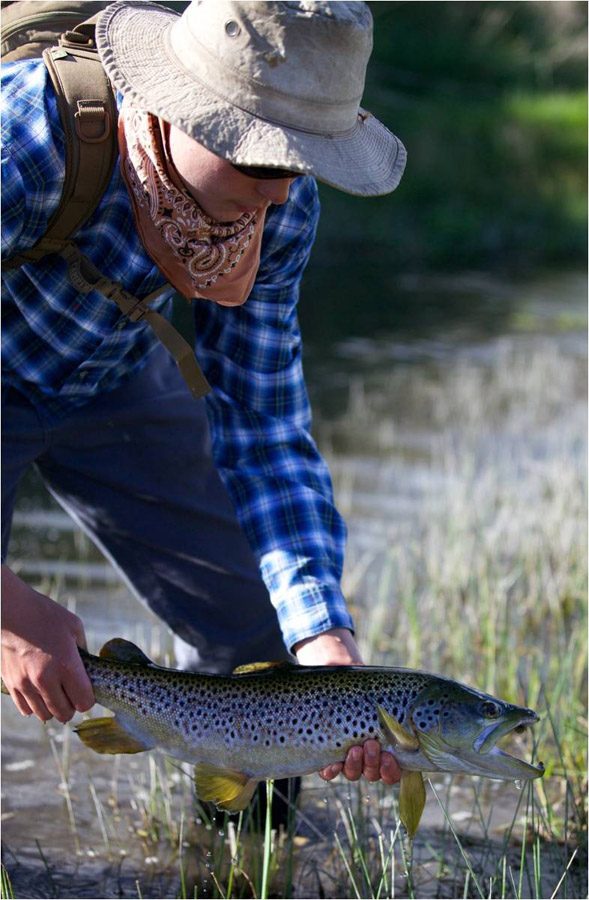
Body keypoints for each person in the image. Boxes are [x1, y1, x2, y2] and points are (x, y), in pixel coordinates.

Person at [1, 0, 407, 790]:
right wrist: (8, 609)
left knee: (259, 625)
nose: (281, 196)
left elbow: (261, 429)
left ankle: (241, 859)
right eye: (264, 161)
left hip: (107, 376)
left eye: (302, 166)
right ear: (185, 109)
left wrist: (323, 639)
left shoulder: (275, 209)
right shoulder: (27, 143)